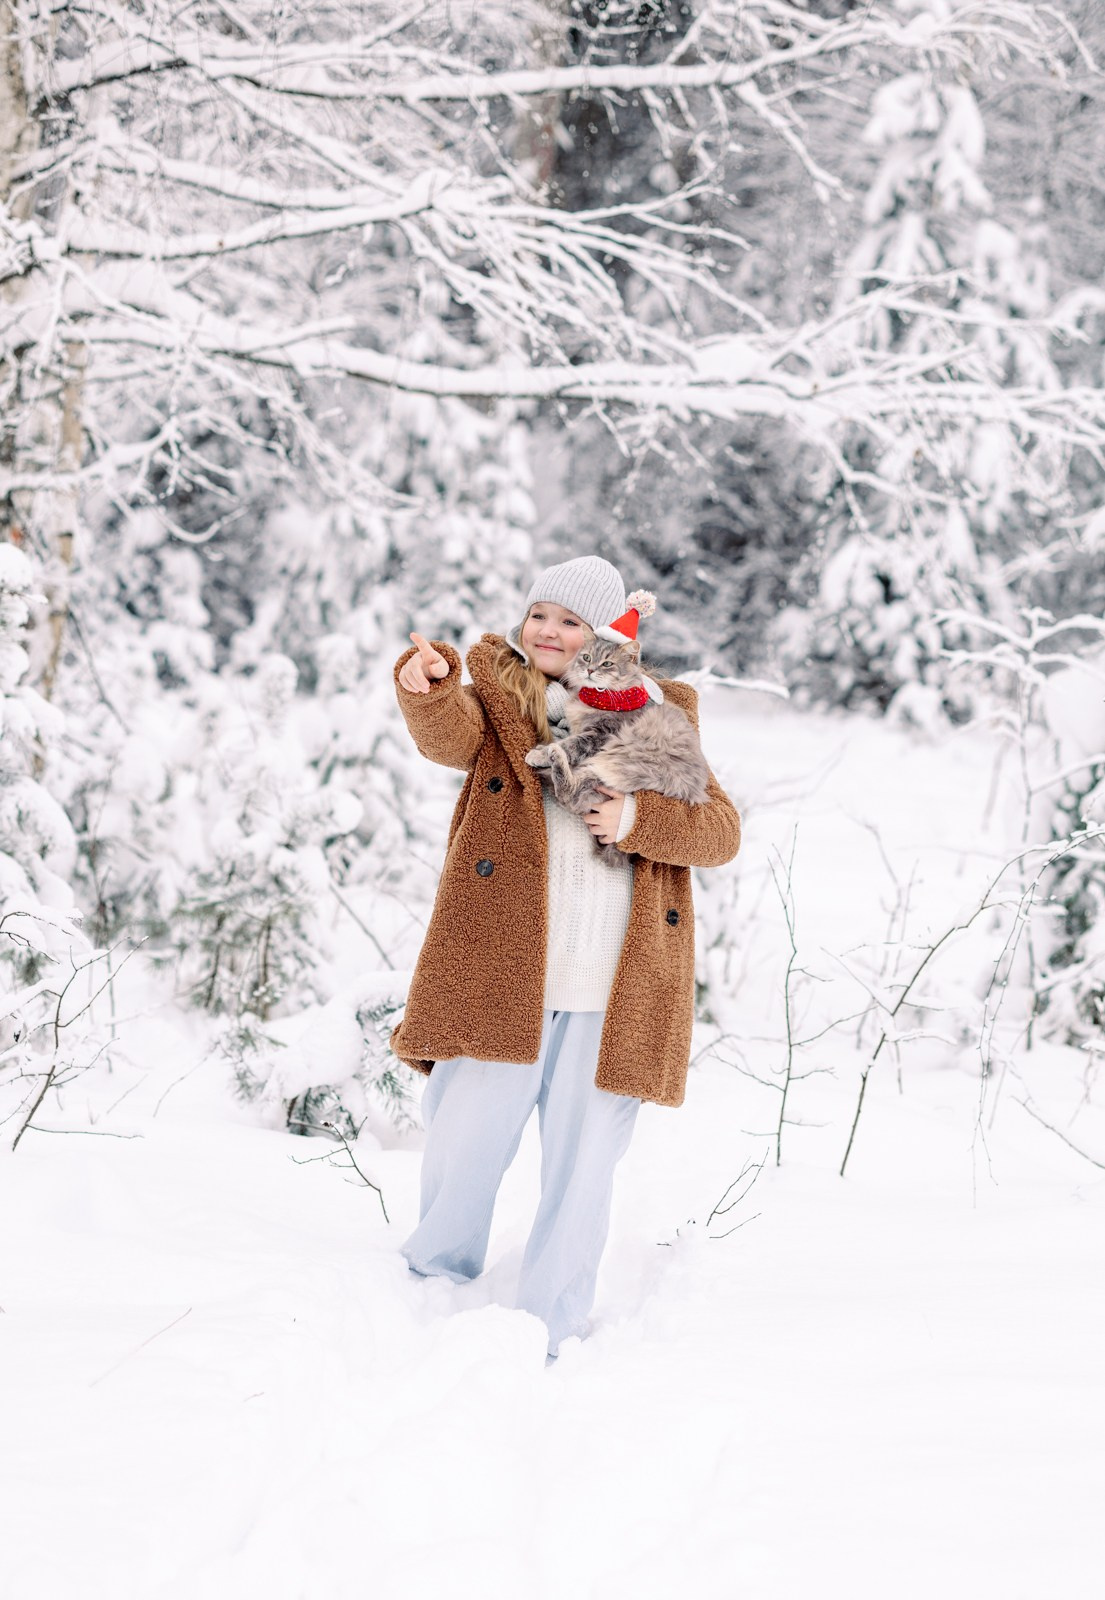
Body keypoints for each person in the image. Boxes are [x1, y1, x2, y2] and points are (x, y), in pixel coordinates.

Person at [390, 556, 741, 1359]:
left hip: (611, 990)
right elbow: (446, 736)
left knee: (584, 1174)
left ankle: (552, 1322)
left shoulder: (656, 719)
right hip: (500, 975)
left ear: (606, 635)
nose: (548, 631)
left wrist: (635, 818)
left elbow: (719, 831)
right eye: (539, 613)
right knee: (462, 1141)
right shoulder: (499, 705)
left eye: (570, 621)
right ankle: (425, 1294)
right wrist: (428, 685)